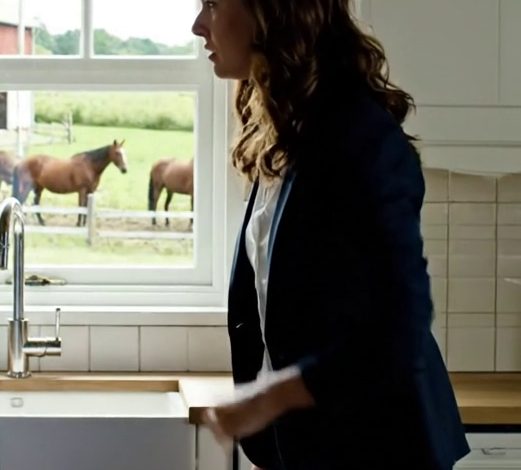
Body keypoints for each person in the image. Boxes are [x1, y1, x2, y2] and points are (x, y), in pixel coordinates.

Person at [191, 1, 471, 470]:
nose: (198, 25)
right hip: (309, 446)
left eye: (213, 4)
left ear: (271, 12)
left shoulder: (362, 137)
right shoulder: (283, 132)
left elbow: (398, 329)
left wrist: (271, 399)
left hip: (378, 447)